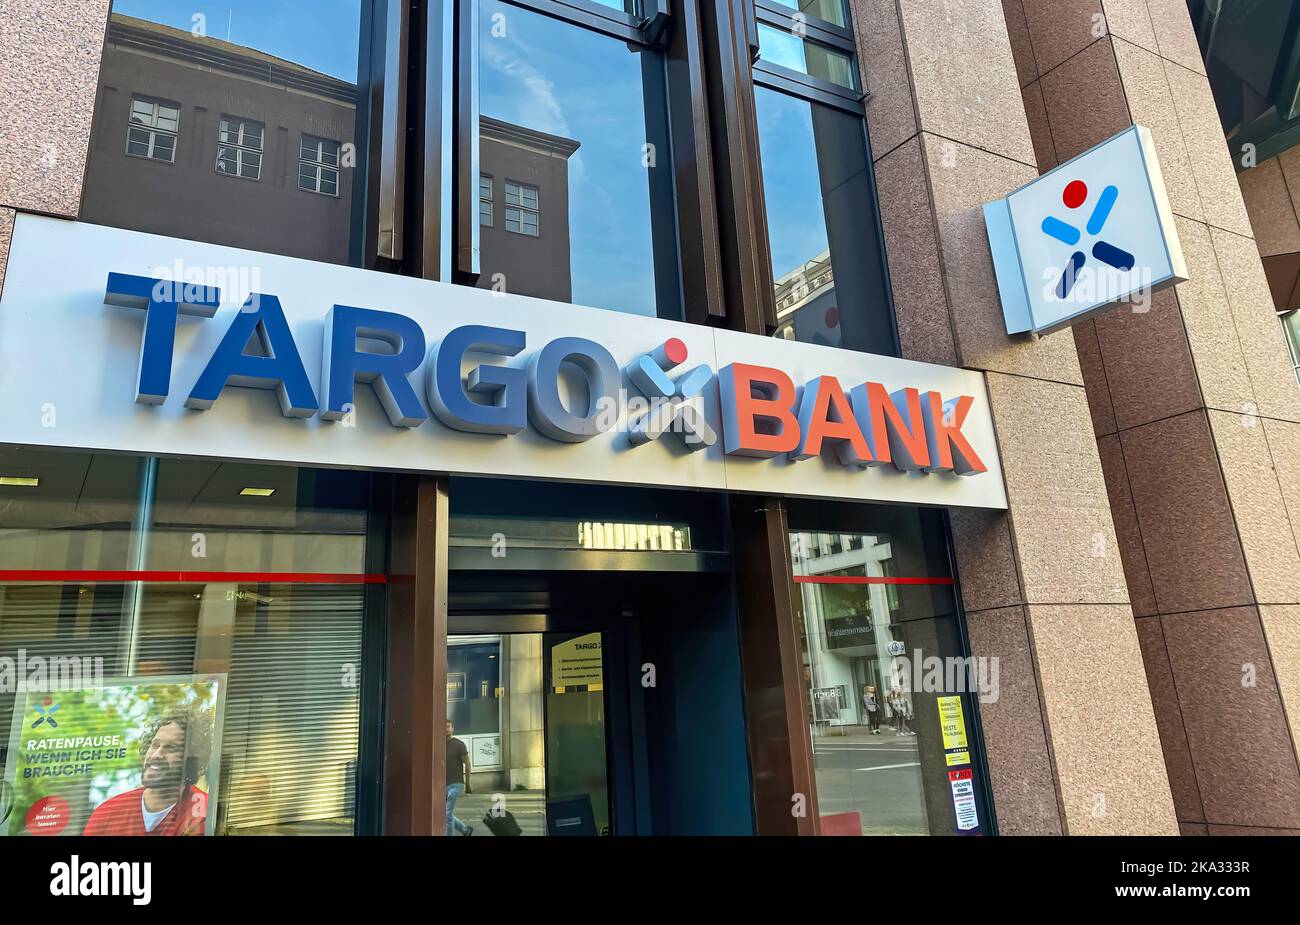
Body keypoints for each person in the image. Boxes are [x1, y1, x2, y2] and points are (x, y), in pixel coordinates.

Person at [83, 708, 211, 836]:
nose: (156, 755)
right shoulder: (106, 813)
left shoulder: (205, 813)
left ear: (191, 761)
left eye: (171, 748)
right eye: (155, 745)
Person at [445, 719, 473, 837]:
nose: (446, 729)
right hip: (443, 785)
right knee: (445, 814)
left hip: (456, 784)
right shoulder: (438, 744)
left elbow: (467, 764)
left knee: (447, 814)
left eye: (448, 726)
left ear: (452, 728)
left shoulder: (459, 744)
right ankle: (465, 830)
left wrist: (467, 784)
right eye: (444, 727)